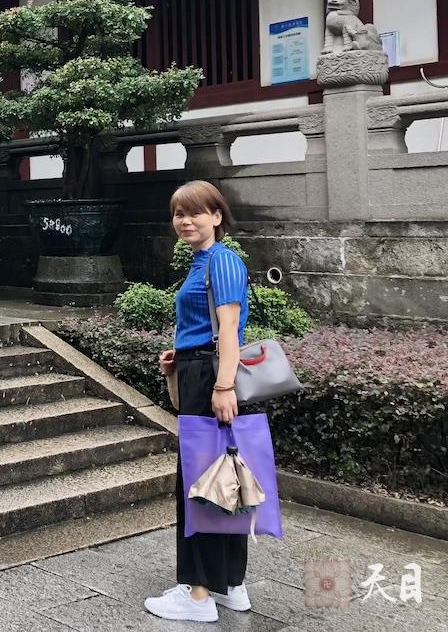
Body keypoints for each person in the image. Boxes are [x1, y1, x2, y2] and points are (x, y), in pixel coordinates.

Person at [146, 179, 253, 623]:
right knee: (224, 479)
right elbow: (207, 326)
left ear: (217, 216)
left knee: (201, 482)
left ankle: (197, 595)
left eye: (195, 212)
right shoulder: (201, 262)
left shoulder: (222, 260)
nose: (185, 221)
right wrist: (180, 354)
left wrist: (223, 386)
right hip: (201, 370)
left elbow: (229, 328)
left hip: (212, 377)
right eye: (178, 214)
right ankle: (230, 586)